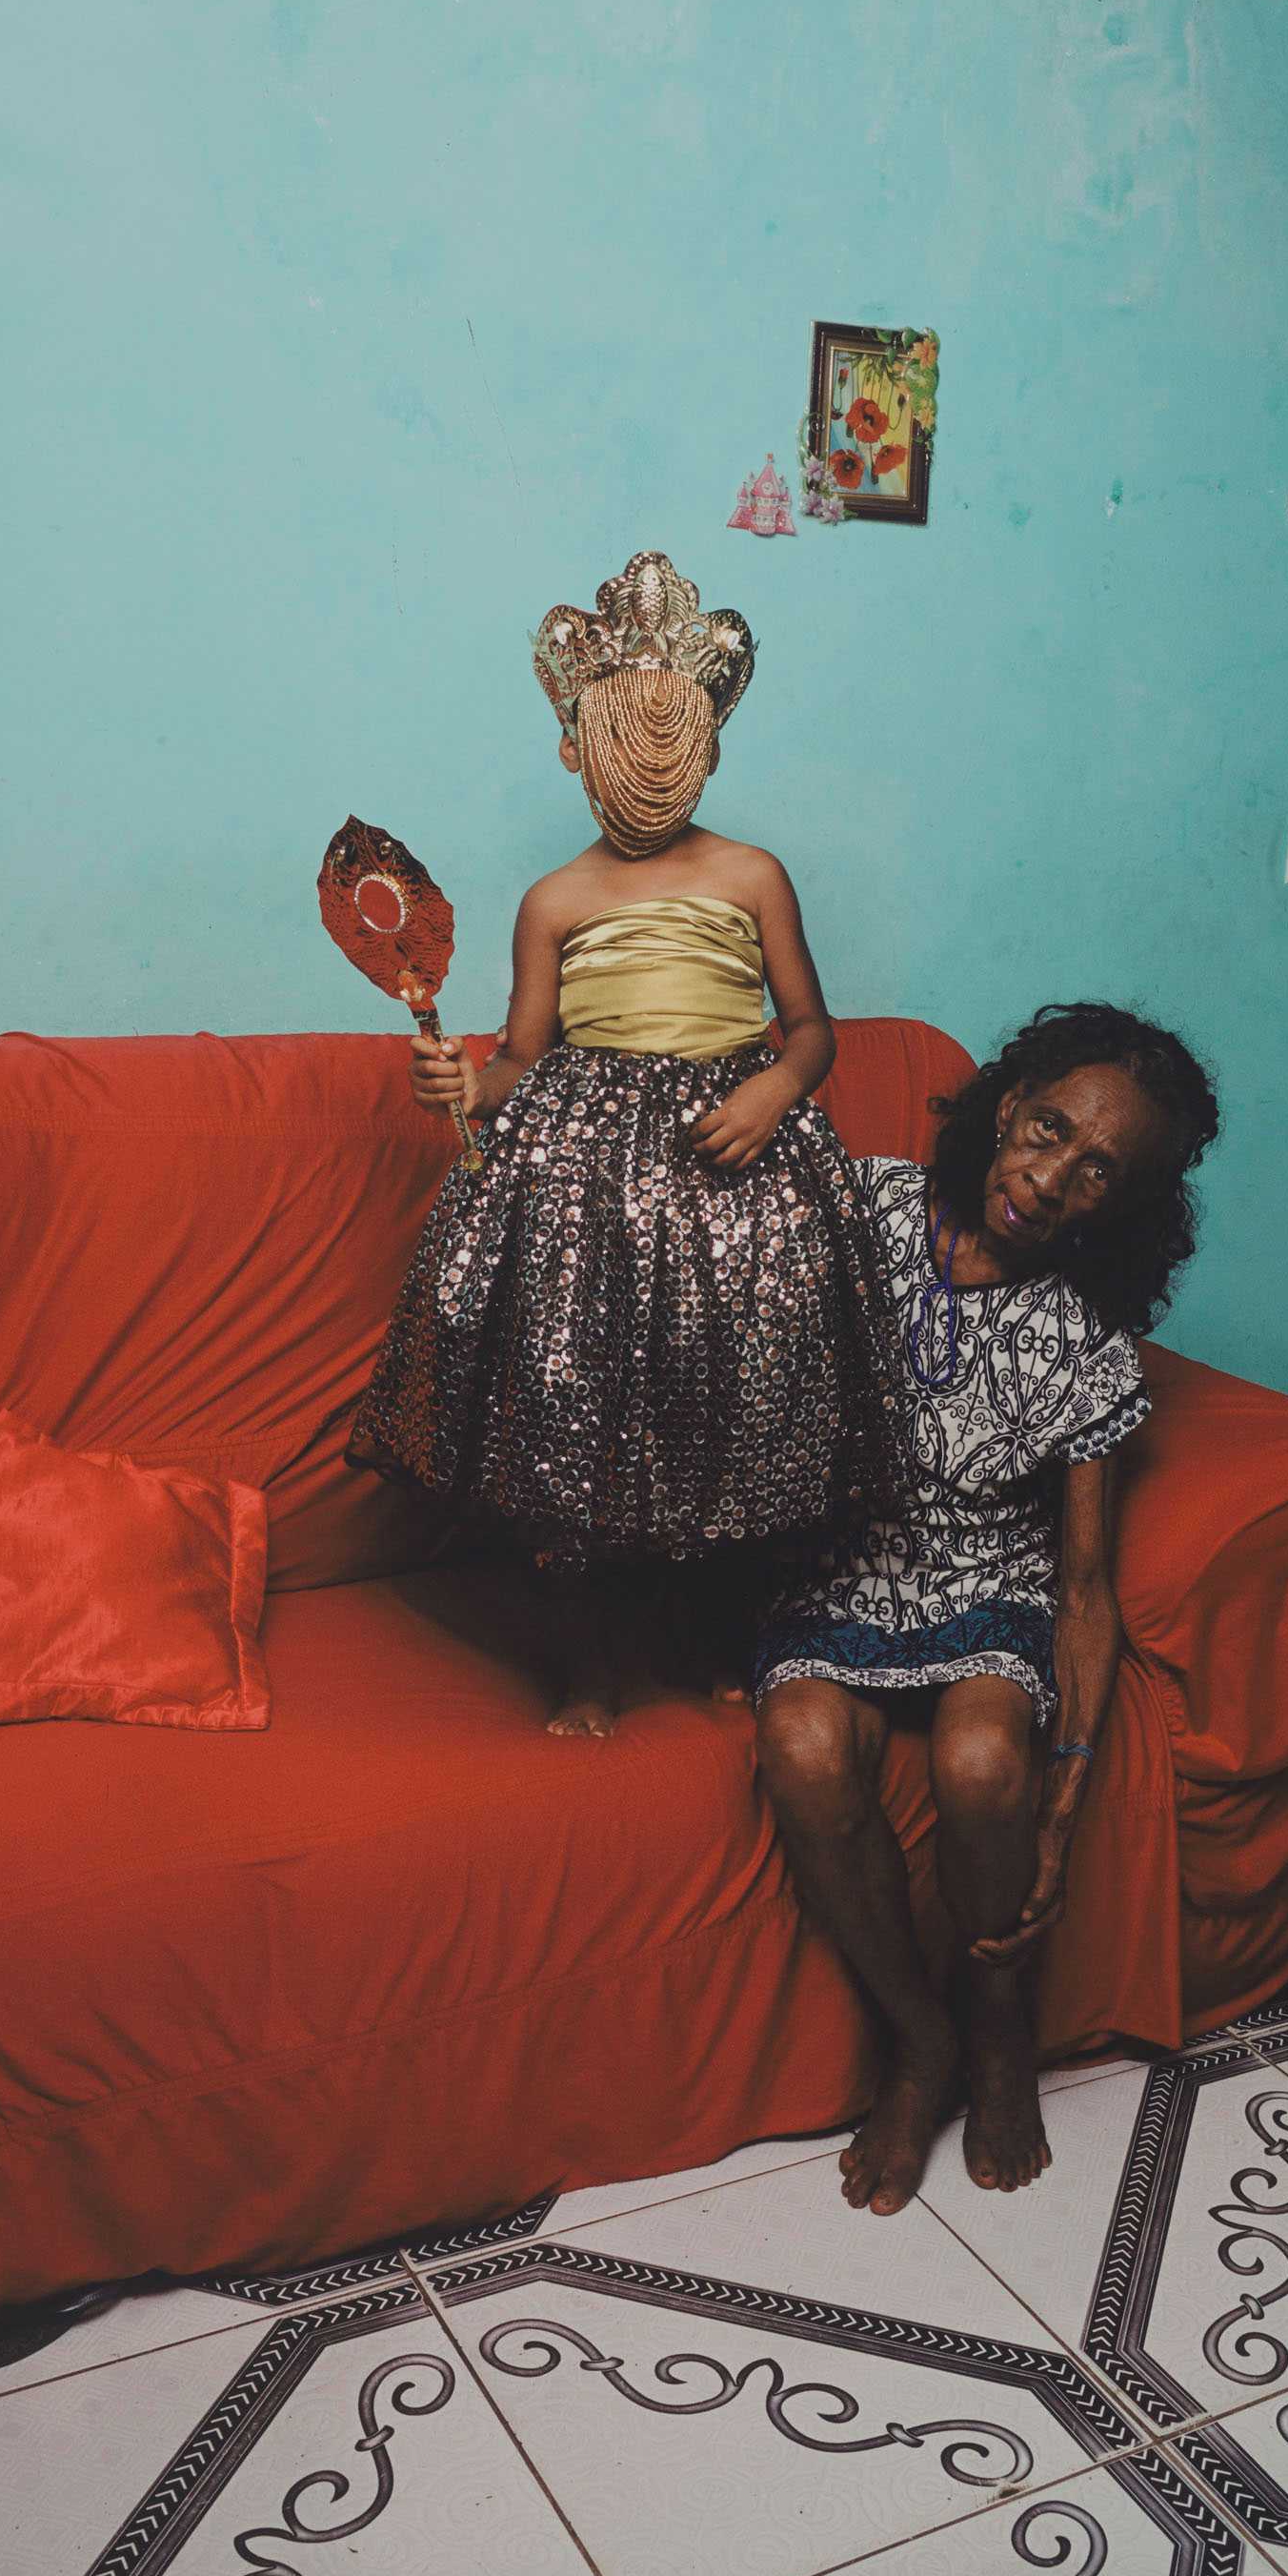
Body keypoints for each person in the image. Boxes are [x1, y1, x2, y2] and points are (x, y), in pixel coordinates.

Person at [350, 552, 904, 1736]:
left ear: (703, 746)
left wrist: (773, 1094)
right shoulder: (553, 901)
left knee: (733, 1408)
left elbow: (811, 1031)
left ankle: (712, 1639)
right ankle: (588, 1666)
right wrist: (464, 1080)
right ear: (575, 751)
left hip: (737, 1180)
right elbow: (521, 1062)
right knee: (582, 1417)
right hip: (586, 1196)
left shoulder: (754, 876)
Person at [750, 1004, 1220, 2214]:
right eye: (1048, 1129)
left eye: (1095, 1170)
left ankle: (1000, 2027)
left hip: (983, 1581)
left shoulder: (1084, 1339)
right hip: (838, 1567)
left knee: (978, 1757)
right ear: (1008, 1106)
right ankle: (923, 2041)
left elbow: (1079, 1587)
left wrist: (1064, 1811)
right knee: (803, 1743)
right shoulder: (861, 1205)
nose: (1050, 1177)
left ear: (1123, 1202)